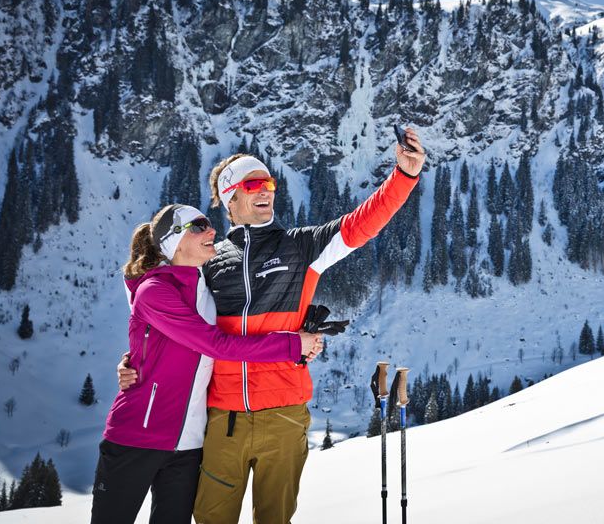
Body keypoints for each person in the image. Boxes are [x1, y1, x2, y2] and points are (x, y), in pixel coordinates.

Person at [118, 128, 426, 523]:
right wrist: (133, 361)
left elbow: (362, 224)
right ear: (230, 197)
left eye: (269, 183)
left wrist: (404, 176)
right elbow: (168, 320)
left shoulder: (300, 248)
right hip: (222, 418)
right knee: (210, 518)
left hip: (284, 415)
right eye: (253, 185)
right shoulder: (207, 263)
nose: (266, 191)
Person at [93, 204, 324, 524]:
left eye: (209, 224)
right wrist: (291, 345)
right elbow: (214, 344)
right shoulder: (154, 291)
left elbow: (239, 324)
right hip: (136, 438)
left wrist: (303, 341)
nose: (212, 230)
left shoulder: (205, 287)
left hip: (188, 447)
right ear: (174, 242)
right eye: (199, 226)